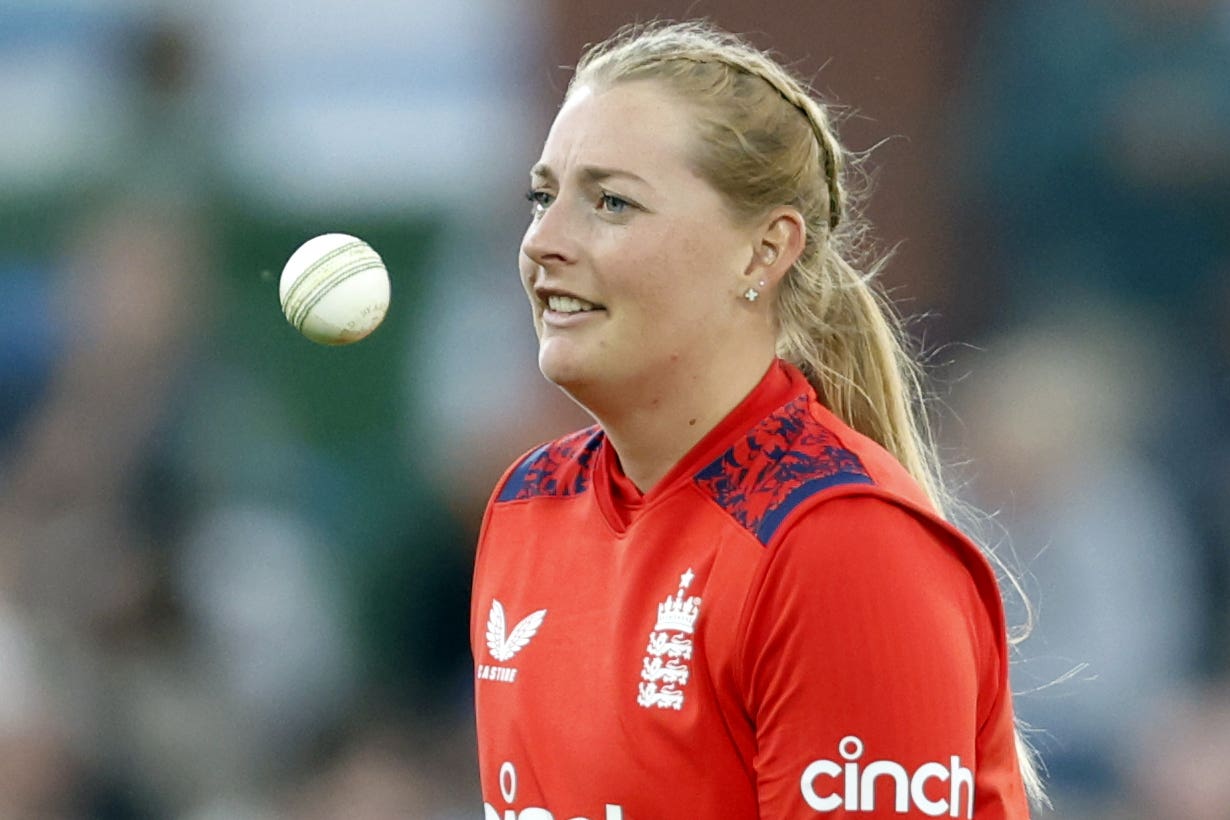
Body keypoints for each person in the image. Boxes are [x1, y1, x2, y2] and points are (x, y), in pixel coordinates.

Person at [470, 20, 1041, 819]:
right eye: (542, 196)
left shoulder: (837, 542)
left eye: (610, 202)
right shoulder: (530, 504)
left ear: (762, 253)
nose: (543, 242)